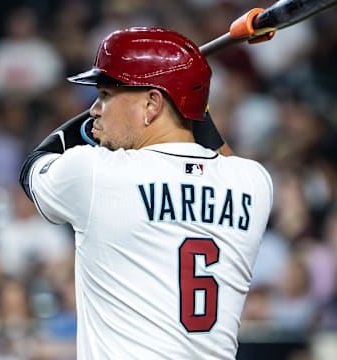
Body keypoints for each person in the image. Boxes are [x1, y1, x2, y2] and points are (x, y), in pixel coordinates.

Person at [19, 27, 273, 360]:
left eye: (106, 95)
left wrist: (83, 124)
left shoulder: (95, 173)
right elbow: (215, 150)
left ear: (152, 103)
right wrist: (191, 100)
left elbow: (32, 168)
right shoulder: (254, 182)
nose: (94, 108)